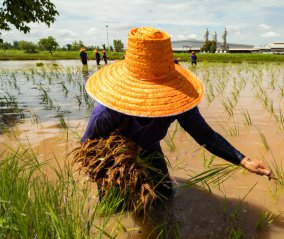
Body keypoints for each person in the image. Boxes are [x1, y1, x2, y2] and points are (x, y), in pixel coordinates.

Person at [81, 27, 271, 199]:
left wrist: (244, 160)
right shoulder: (107, 111)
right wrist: (114, 174)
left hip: (150, 147)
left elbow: (205, 135)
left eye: (159, 91)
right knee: (116, 204)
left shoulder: (177, 100)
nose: (153, 99)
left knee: (164, 195)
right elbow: (89, 150)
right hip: (115, 156)